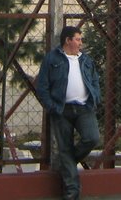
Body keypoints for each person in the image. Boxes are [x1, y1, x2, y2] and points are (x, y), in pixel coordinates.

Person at [36, 26, 101, 200]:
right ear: (68, 40)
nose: (81, 43)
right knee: (64, 147)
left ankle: (68, 161)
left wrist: (95, 97)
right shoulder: (52, 59)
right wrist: (51, 106)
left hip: (84, 108)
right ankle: (72, 193)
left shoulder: (86, 59)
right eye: (78, 39)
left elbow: (95, 80)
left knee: (92, 138)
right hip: (61, 110)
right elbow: (42, 86)